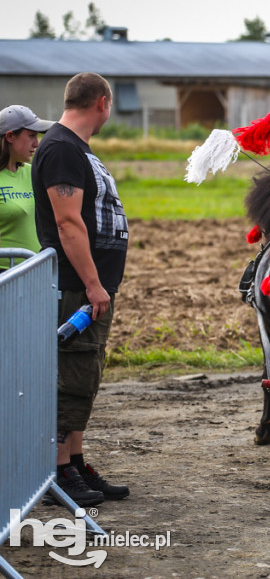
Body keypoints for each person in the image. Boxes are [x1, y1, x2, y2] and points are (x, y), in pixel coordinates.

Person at [32, 72, 132, 505]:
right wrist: (93, 284)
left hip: (90, 287)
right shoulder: (60, 149)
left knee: (85, 375)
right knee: (71, 378)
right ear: (103, 102)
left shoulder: (72, 148)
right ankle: (57, 472)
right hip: (76, 287)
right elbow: (68, 223)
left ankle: (74, 462)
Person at [0, 105, 53, 267]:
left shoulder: (34, 173)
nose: (37, 144)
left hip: (34, 275)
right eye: (31, 136)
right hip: (5, 278)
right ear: (10, 136)